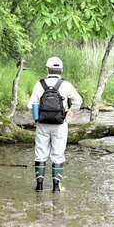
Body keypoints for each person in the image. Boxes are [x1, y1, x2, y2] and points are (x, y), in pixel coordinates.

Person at [28, 56, 82, 193]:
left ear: (47, 69)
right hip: (60, 124)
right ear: (61, 70)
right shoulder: (66, 85)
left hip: (42, 123)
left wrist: (36, 118)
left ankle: (39, 186)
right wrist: (70, 111)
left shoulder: (39, 84)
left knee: (40, 154)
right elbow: (78, 101)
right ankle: (56, 187)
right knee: (58, 154)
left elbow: (31, 105)